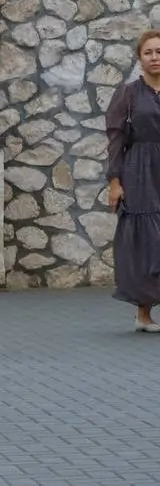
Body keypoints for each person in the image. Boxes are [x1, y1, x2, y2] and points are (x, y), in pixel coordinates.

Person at [106, 29, 160, 332]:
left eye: (159, 52)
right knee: (147, 242)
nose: (155, 57)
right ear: (140, 58)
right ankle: (143, 313)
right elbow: (116, 140)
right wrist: (115, 181)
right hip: (140, 172)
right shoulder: (128, 94)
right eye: (148, 52)